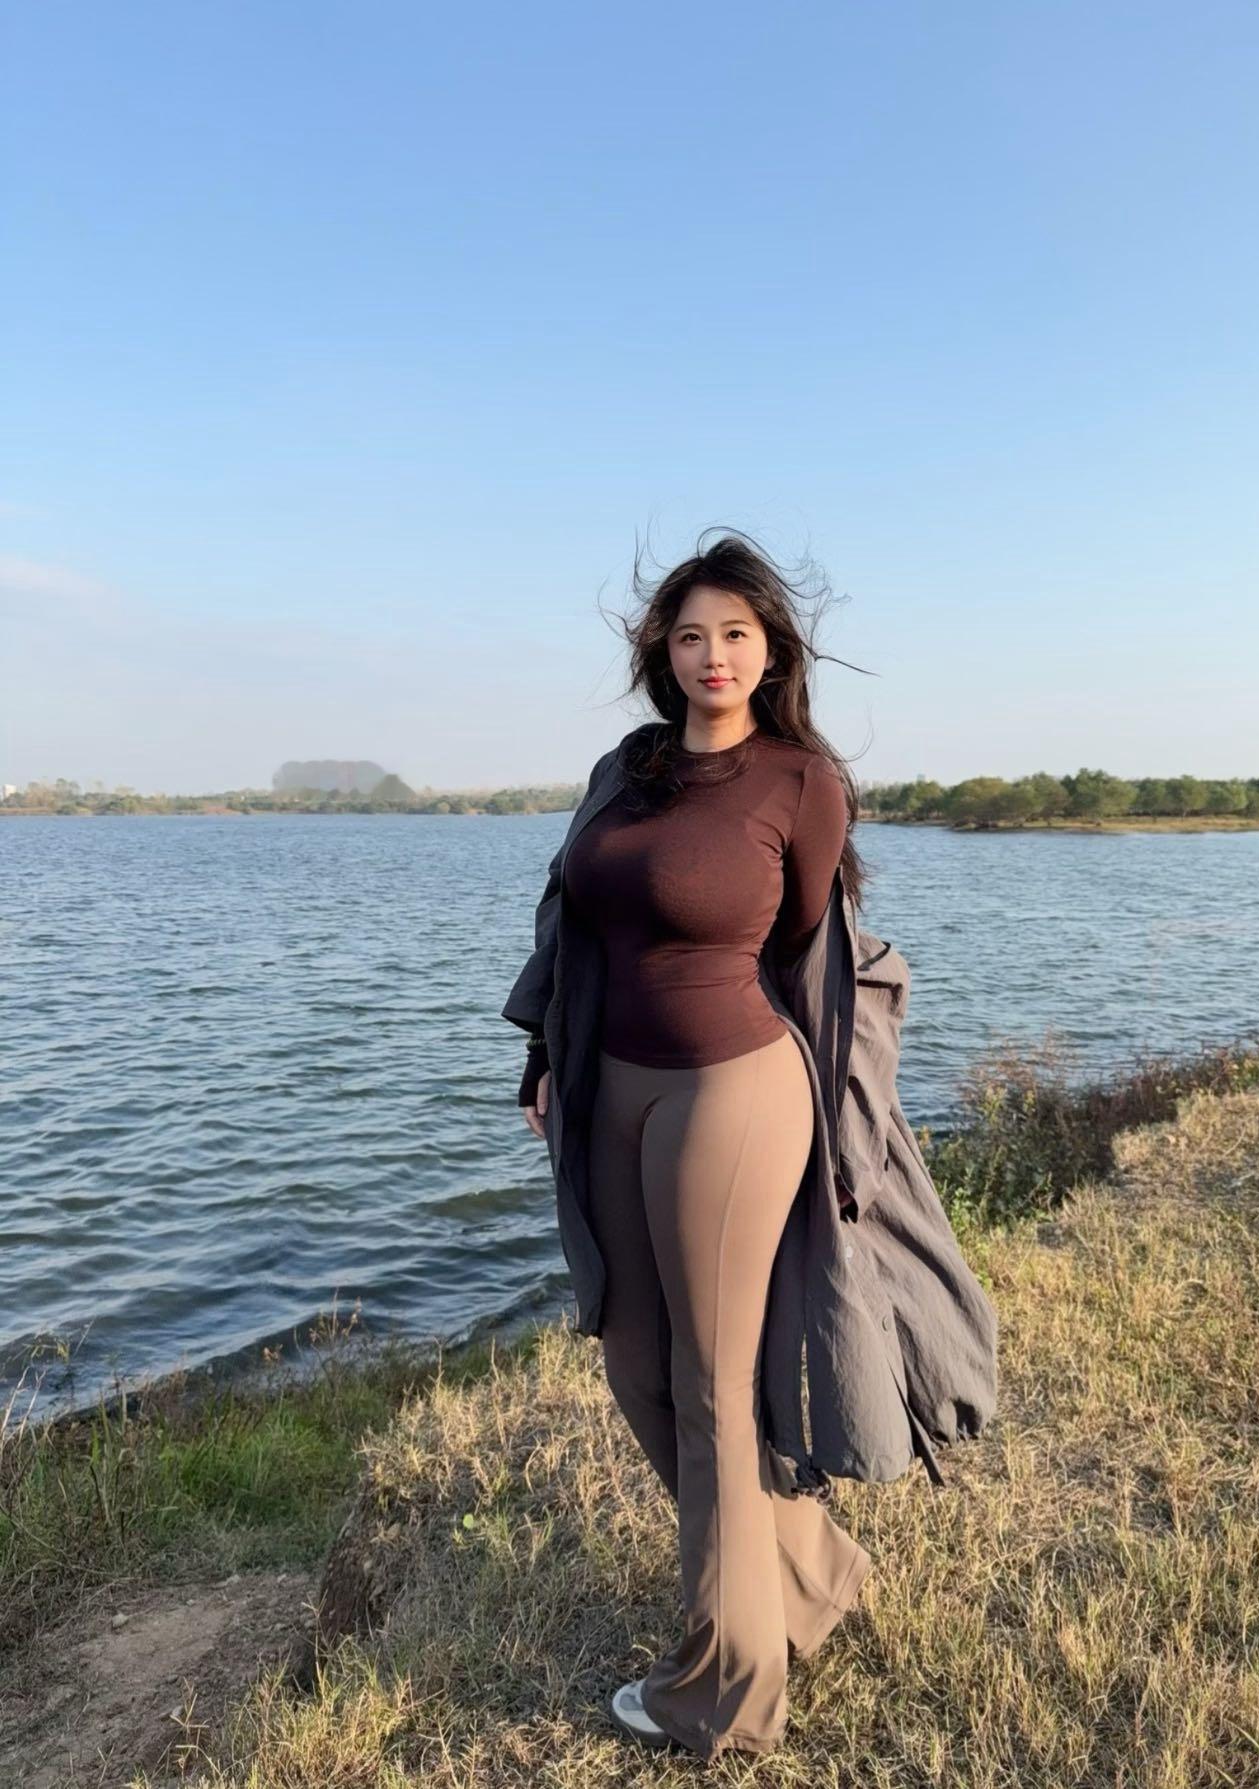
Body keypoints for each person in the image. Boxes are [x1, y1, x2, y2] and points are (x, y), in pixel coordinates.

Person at [515, 531, 874, 1761]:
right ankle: (810, 1573)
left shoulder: (799, 780)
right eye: (687, 635)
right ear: (659, 653)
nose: (711, 654)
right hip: (607, 1084)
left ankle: (726, 1691)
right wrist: (543, 1056)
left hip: (731, 1086)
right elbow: (573, 919)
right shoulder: (625, 767)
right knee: (633, 1357)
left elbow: (809, 949)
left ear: (769, 648)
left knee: (713, 1384)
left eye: (733, 632)